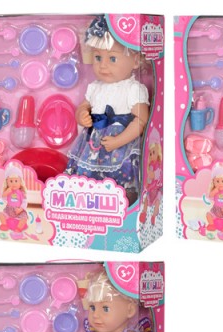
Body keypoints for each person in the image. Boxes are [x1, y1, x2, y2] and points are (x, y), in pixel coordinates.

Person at [66, 15, 150, 205]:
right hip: (92, 143)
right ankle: (89, 199)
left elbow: (141, 120)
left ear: (136, 61)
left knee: (120, 177)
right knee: (88, 176)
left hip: (119, 145)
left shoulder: (133, 89)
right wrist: (81, 115)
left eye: (112, 58)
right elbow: (84, 106)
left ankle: (122, 200)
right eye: (98, 57)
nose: (102, 65)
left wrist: (119, 140)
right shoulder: (95, 87)